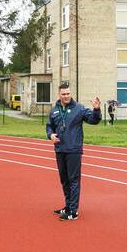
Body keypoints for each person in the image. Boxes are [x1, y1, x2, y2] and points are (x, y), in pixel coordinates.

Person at [46, 83, 101, 220]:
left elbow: (94, 120)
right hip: (60, 149)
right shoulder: (54, 110)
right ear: (59, 94)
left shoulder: (79, 109)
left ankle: (73, 211)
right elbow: (49, 127)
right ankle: (68, 206)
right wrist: (50, 135)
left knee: (73, 180)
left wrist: (96, 110)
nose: (66, 96)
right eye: (63, 94)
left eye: (68, 93)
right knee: (64, 180)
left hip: (73, 150)